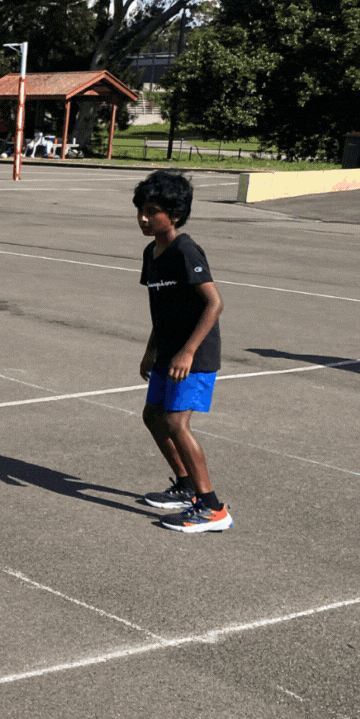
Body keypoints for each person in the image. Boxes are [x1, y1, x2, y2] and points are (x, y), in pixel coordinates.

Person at [132, 171, 231, 532]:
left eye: (153, 210)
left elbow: (214, 303)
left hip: (194, 354)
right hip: (168, 352)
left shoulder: (185, 250)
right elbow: (162, 310)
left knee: (176, 422)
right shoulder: (152, 253)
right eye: (141, 210)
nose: (144, 218)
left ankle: (213, 508)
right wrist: (150, 351)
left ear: (173, 215)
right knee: (153, 416)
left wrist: (188, 351)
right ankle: (186, 487)